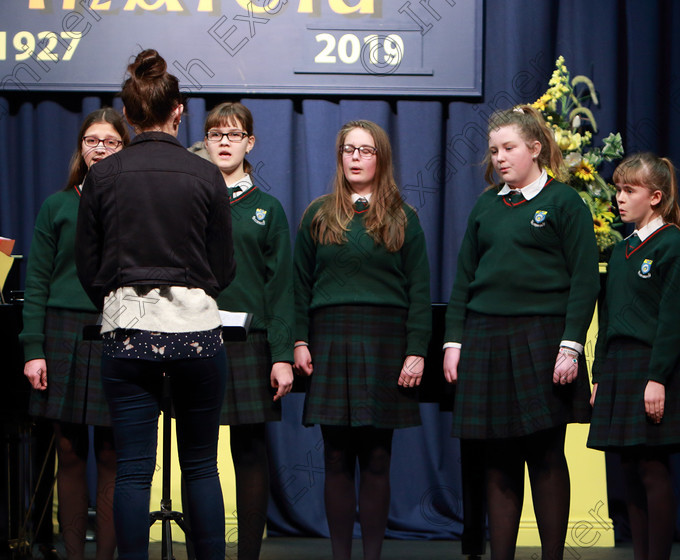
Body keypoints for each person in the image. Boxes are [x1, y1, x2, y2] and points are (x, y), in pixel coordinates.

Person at [75, 49, 235, 560]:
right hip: (196, 331)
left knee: (133, 468)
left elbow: (87, 265)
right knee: (202, 465)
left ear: (127, 115)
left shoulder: (101, 177)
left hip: (126, 331)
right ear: (179, 111)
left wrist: (121, 297)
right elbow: (224, 267)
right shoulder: (208, 175)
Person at [443, 105, 599, 560]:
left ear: (535, 148)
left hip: (542, 338)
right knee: (498, 458)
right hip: (486, 338)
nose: (500, 158)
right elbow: (463, 279)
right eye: (493, 150)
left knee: (546, 454)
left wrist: (570, 347)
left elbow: (585, 280)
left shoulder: (564, 202)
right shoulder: (486, 206)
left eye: (509, 148)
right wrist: (454, 342)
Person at [293, 120, 431, 560]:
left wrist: (415, 351)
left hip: (385, 344)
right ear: (339, 157)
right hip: (330, 342)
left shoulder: (403, 217)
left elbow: (420, 294)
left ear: (381, 159)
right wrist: (298, 341)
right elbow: (296, 289)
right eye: (348, 150)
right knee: (335, 456)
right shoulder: (317, 215)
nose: (355, 157)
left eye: (365, 150)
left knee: (375, 457)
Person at [20, 107, 128, 560]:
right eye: (92, 141)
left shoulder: (132, 205)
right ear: (80, 147)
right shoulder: (57, 206)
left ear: (124, 148)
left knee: (110, 453)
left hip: (116, 330)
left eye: (111, 142)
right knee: (68, 451)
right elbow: (38, 281)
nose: (100, 149)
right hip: (62, 333)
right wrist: (33, 349)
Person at [587, 152, 680, 560]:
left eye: (628, 190)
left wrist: (658, 377)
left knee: (652, 466)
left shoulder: (674, 247)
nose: (619, 198)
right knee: (629, 470)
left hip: (650, 366)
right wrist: (599, 376)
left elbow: (675, 320)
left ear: (655, 197)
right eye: (617, 189)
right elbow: (609, 316)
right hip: (618, 368)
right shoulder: (621, 251)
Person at [202, 101, 294, 560]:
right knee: (198, 455)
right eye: (216, 134)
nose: (224, 142)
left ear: (249, 143)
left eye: (233, 134)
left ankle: (248, 555)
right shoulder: (191, 201)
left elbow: (280, 290)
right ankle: (208, 549)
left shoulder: (267, 209)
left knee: (251, 452)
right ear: (204, 141)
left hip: (250, 345)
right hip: (193, 340)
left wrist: (281, 355)